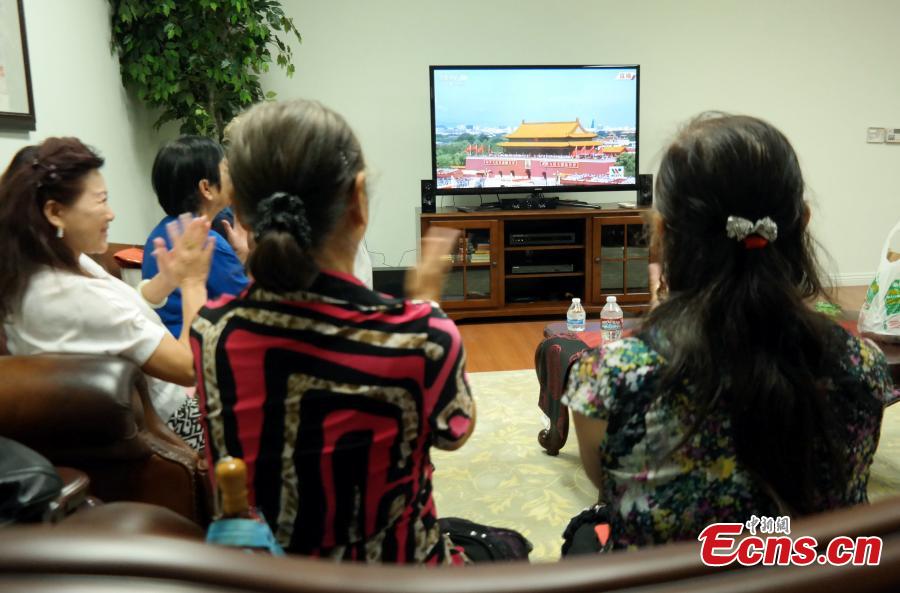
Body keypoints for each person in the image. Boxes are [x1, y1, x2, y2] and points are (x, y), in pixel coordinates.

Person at [563, 113, 893, 549]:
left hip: (668, 582)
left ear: (660, 233)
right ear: (803, 222)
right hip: (810, 574)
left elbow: (611, 488)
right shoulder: (864, 366)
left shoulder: (609, 377)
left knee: (585, 534)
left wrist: (662, 314)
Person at [191, 99, 477, 564]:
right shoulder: (422, 334)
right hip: (401, 573)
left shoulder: (212, 333)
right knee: (505, 547)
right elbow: (454, 431)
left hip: (275, 577)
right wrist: (424, 302)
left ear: (240, 215)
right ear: (358, 200)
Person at [0, 137, 213, 452]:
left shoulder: (52, 263)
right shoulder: (67, 296)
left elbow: (118, 316)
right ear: (56, 212)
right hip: (181, 419)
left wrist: (167, 281)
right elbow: (188, 367)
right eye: (101, 201)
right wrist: (194, 281)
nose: (111, 214)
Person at [142, 136, 250, 336]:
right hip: (197, 353)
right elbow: (249, 310)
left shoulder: (157, 234)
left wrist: (240, 257)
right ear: (206, 188)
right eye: (226, 169)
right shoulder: (209, 243)